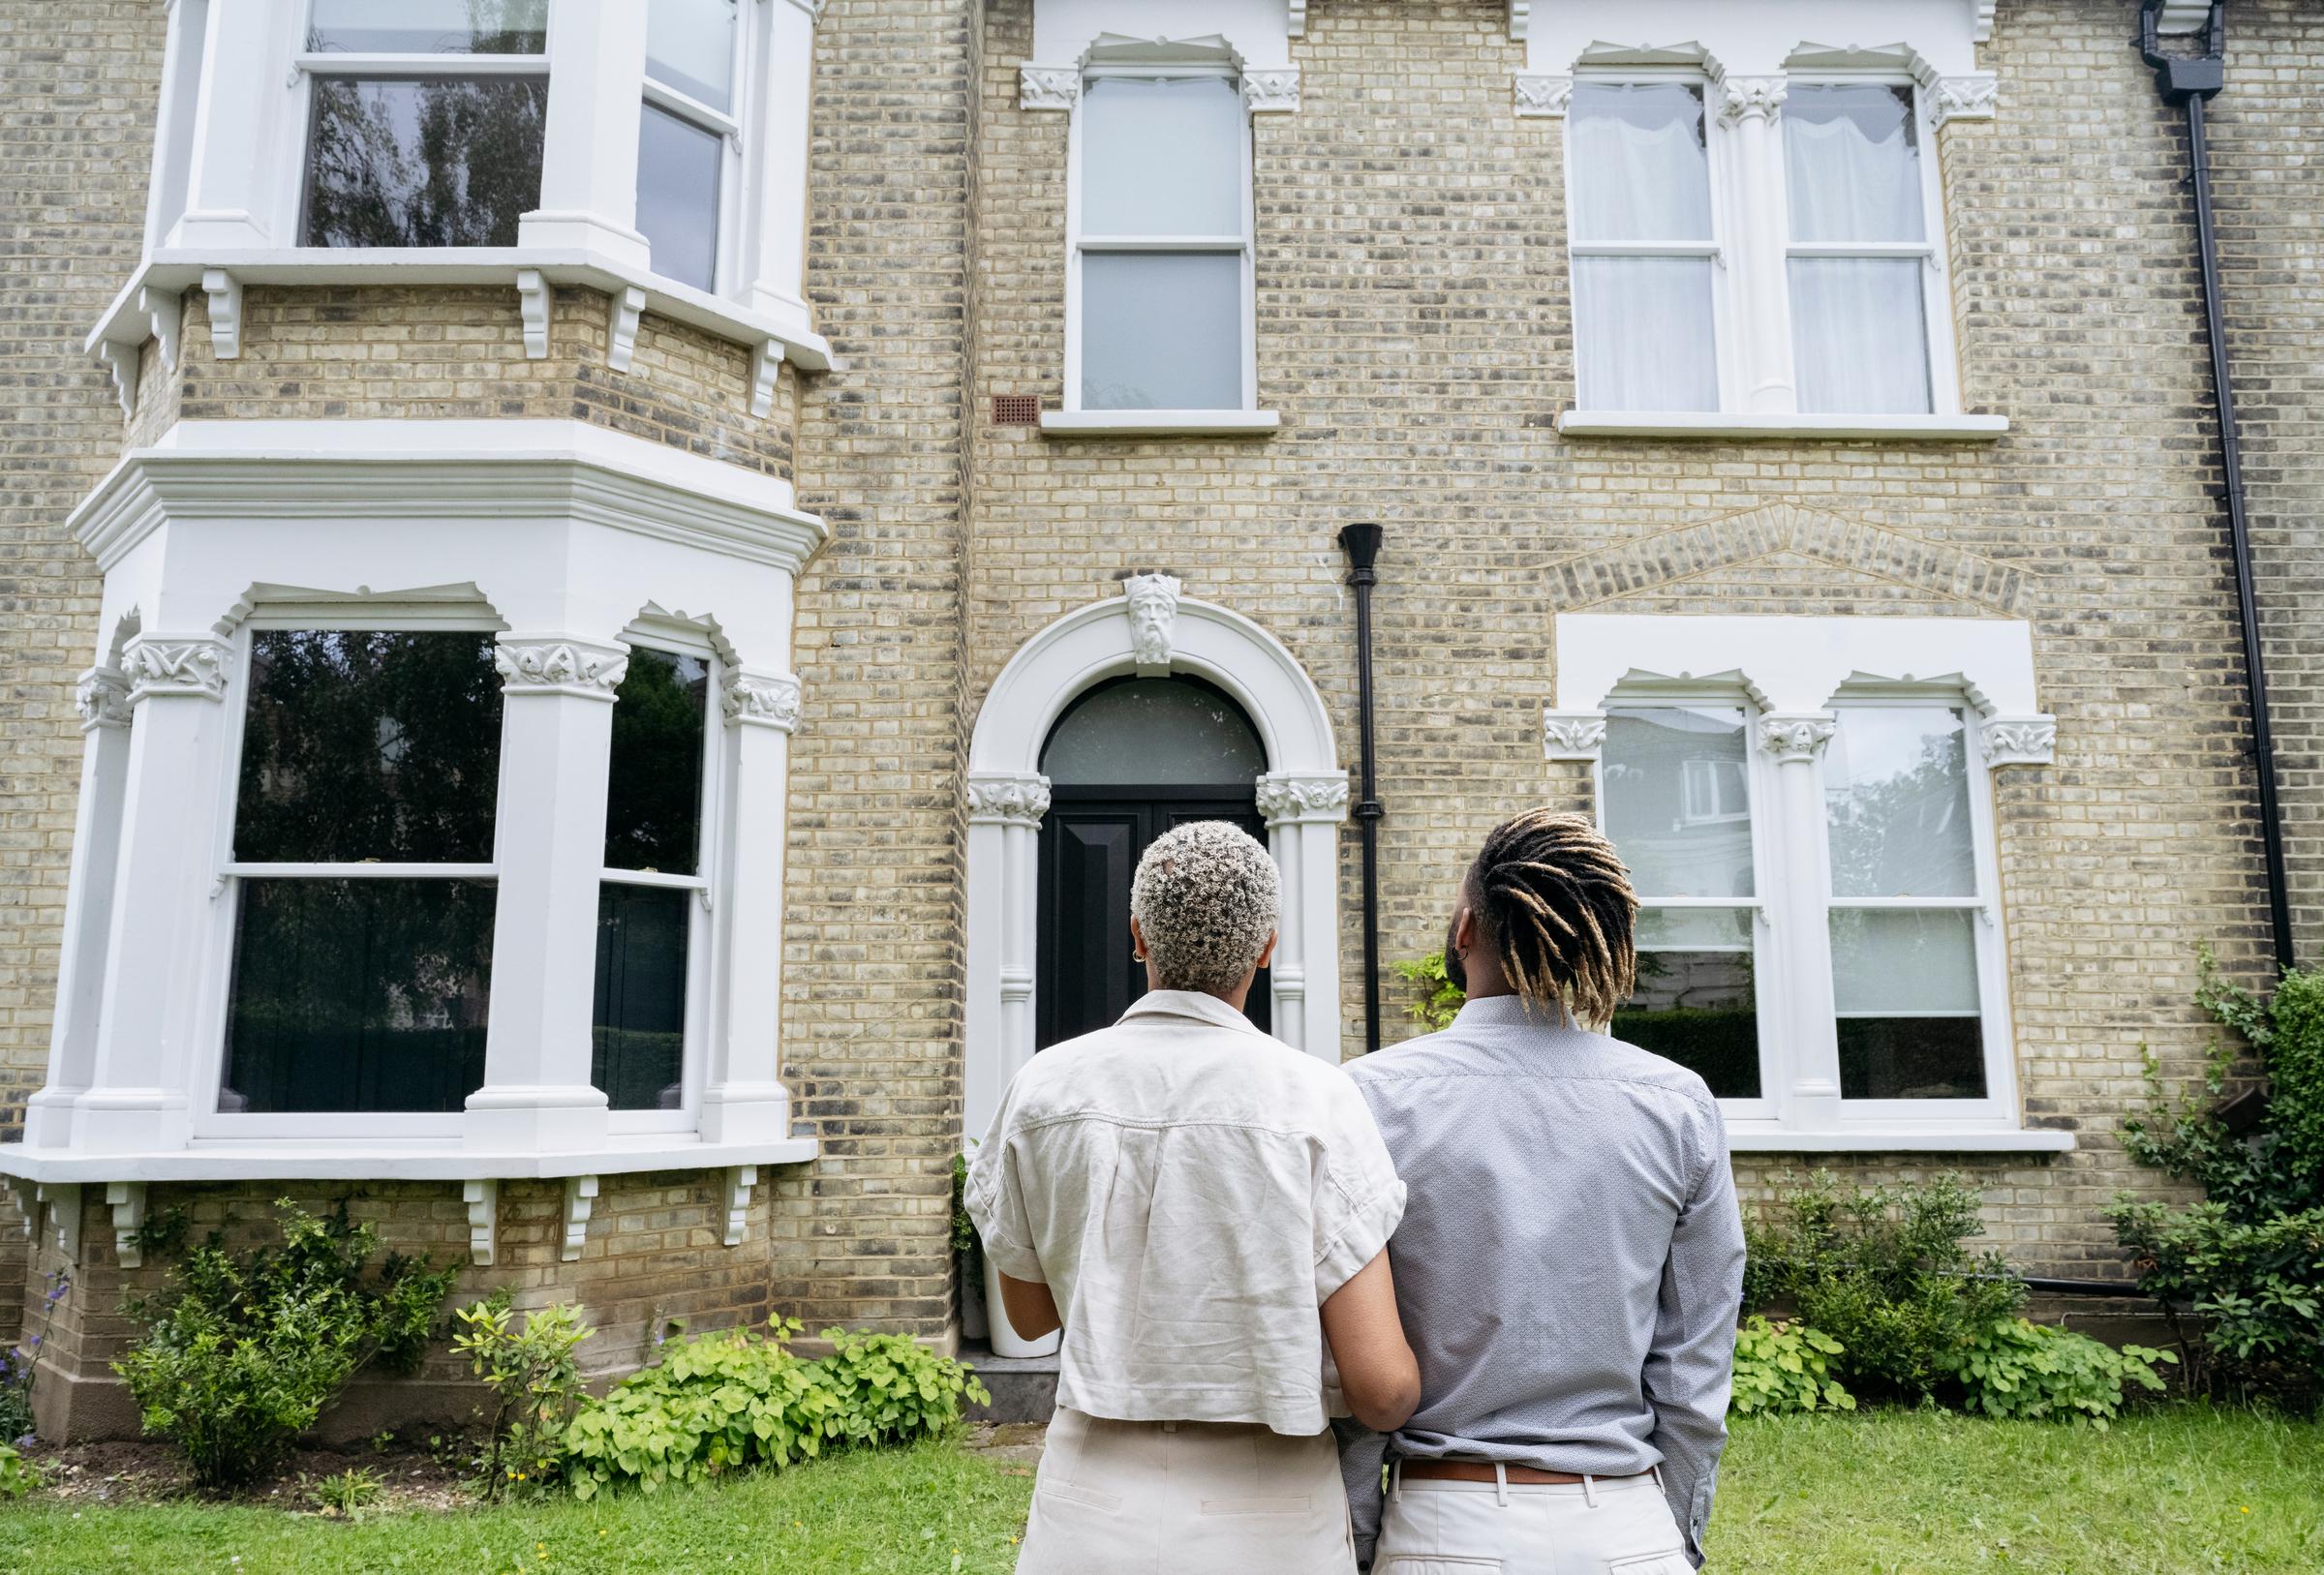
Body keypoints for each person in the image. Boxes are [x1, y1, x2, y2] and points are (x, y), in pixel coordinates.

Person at [966, 819, 1420, 1575]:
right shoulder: (1318, 1100)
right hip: (1271, 1511)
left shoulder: (1044, 1086)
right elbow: (1380, 1388)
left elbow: (1031, 1314)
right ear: (1267, 947)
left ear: (1138, 934)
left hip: (1090, 1500)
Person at [1341, 808, 1746, 1574]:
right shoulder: (1677, 1105)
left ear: (1464, 930)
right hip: (1627, 1530)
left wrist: (1360, 1539)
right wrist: (1674, 1540)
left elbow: (1352, 1376)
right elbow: (1694, 1374)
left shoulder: (1370, 1099)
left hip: (1443, 1526)